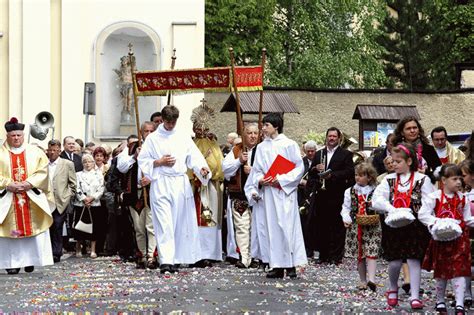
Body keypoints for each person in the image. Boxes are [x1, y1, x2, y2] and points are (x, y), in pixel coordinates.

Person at [138, 105, 210, 274]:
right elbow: (143, 160)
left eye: (173, 122)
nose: (170, 125)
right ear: (162, 120)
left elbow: (194, 157)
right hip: (161, 182)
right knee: (164, 223)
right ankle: (165, 260)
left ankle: (175, 259)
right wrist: (158, 162)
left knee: (178, 222)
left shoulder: (183, 136)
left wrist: (202, 169)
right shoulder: (153, 139)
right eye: (168, 122)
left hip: (179, 182)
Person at [244, 113, 307, 279]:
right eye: (263, 125)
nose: (262, 129)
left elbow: (298, 168)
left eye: (266, 125)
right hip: (268, 193)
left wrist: (280, 179)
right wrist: (260, 180)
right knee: (271, 229)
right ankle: (276, 264)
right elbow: (256, 170)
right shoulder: (262, 147)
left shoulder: (289, 144)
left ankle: (291, 263)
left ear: (276, 126)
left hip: (283, 192)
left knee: (286, 227)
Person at [372, 143, 434, 310]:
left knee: (414, 260)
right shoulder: (389, 179)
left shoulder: (422, 179)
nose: (395, 164)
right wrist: (392, 209)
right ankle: (393, 287)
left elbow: (429, 201)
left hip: (415, 226)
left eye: (398, 161)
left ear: (409, 161)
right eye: (393, 161)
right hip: (394, 225)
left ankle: (414, 295)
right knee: (395, 261)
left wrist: (426, 218)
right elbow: (377, 199)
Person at [0, 117, 54, 274]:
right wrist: (7, 183)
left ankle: (31, 260)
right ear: (7, 136)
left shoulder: (35, 152)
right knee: (11, 233)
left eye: (19, 135)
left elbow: (43, 171)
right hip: (7, 198)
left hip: (31, 196)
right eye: (13, 135)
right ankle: (12, 264)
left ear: (23, 135)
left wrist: (29, 183)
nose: (16, 138)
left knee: (33, 231)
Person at [418, 164, 474, 314]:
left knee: (460, 271)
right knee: (441, 271)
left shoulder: (463, 198)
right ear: (443, 180)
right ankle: (440, 300)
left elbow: (468, 219)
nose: (458, 182)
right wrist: (437, 223)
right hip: (441, 239)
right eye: (454, 179)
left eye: (460, 179)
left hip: (460, 240)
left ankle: (460, 304)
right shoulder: (434, 197)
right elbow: (423, 214)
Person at [305, 127, 355, 265]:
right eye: (329, 136)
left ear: (339, 138)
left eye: (334, 136)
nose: (331, 138)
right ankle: (323, 255)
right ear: (326, 137)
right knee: (322, 226)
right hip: (321, 195)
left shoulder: (345, 154)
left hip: (337, 193)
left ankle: (336, 256)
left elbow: (349, 173)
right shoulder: (318, 154)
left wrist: (331, 175)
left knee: (337, 226)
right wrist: (316, 169)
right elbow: (310, 174)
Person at [117, 121, 158, 269]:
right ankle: (141, 254)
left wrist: (151, 178)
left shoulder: (158, 147)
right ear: (141, 133)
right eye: (146, 131)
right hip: (134, 193)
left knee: (151, 226)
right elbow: (121, 167)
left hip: (152, 191)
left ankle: (151, 255)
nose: (149, 134)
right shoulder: (131, 148)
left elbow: (165, 169)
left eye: (152, 131)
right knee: (139, 227)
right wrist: (134, 157)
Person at [190, 102, 224, 267]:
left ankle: (209, 253)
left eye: (204, 126)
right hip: (193, 188)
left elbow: (219, 165)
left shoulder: (213, 144)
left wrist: (208, 173)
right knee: (193, 220)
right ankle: (194, 252)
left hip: (210, 188)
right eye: (197, 126)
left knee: (209, 218)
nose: (201, 129)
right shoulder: (190, 144)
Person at [222, 123, 259, 268]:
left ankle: (257, 256)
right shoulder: (236, 149)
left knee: (257, 227)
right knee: (242, 227)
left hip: (259, 195)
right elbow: (225, 170)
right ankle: (244, 257)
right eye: (249, 133)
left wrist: (254, 170)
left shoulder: (262, 149)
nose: (253, 136)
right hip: (240, 194)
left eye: (255, 133)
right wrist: (239, 161)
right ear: (244, 134)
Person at [340, 163, 381, 292]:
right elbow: (345, 208)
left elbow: (381, 205)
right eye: (356, 175)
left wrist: (372, 205)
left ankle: (372, 280)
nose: (357, 178)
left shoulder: (376, 190)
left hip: (372, 225)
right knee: (360, 254)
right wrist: (346, 219)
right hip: (356, 225)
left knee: (372, 251)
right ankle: (363, 280)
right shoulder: (350, 191)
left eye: (361, 175)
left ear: (369, 177)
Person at [46, 139, 76, 263]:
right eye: (50, 150)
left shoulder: (67, 164)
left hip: (60, 201)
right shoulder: (43, 163)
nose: (52, 153)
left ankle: (56, 253)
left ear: (59, 151)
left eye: (55, 150)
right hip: (46, 200)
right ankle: (47, 252)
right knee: (47, 227)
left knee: (58, 226)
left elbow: (73, 184)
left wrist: (66, 196)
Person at [72, 154, 105, 259]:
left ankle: (93, 250)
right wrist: (84, 199)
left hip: (94, 204)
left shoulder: (99, 174)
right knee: (79, 226)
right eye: (85, 162)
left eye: (89, 161)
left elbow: (101, 188)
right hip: (81, 204)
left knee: (94, 227)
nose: (87, 164)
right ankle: (78, 248)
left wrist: (92, 198)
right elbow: (76, 188)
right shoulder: (78, 175)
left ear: (93, 163)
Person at [393, 116, 441, 183]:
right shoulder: (396, 150)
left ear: (419, 130)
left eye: (415, 128)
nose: (412, 131)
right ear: (402, 132)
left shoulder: (429, 149)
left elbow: (440, 173)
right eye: (408, 128)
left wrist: (425, 173)